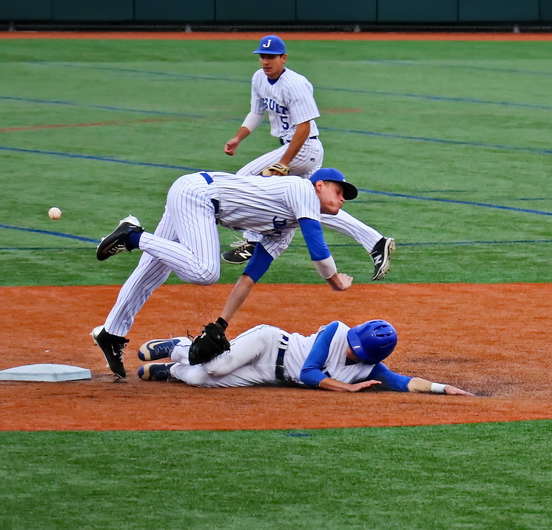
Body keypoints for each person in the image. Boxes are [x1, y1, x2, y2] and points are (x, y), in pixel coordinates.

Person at [91, 168, 359, 380]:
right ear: (319, 185)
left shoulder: (283, 233)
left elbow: (248, 278)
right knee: (205, 271)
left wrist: (222, 323)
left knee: (151, 271)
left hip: (195, 197)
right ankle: (133, 235)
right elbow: (318, 248)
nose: (342, 198)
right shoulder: (302, 189)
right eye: (338, 191)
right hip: (198, 195)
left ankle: (112, 333)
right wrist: (335, 281)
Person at [222, 34, 395, 281]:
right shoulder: (259, 78)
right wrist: (239, 138)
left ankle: (251, 241)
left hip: (304, 148)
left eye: (271, 57)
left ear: (283, 58)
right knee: (310, 206)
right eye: (262, 56)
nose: (265, 61)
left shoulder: (295, 84)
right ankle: (376, 242)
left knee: (243, 179)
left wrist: (283, 163)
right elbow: (255, 112)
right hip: (293, 149)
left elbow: (303, 128)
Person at [135, 319, 475, 396]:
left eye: (356, 352)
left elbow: (402, 382)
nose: (349, 349)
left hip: (271, 375)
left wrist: (442, 388)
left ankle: (174, 369)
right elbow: (310, 373)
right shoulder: (335, 331)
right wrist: (347, 389)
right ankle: (180, 346)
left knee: (200, 378)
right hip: (269, 344)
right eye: (353, 344)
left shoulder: (371, 367)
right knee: (218, 365)